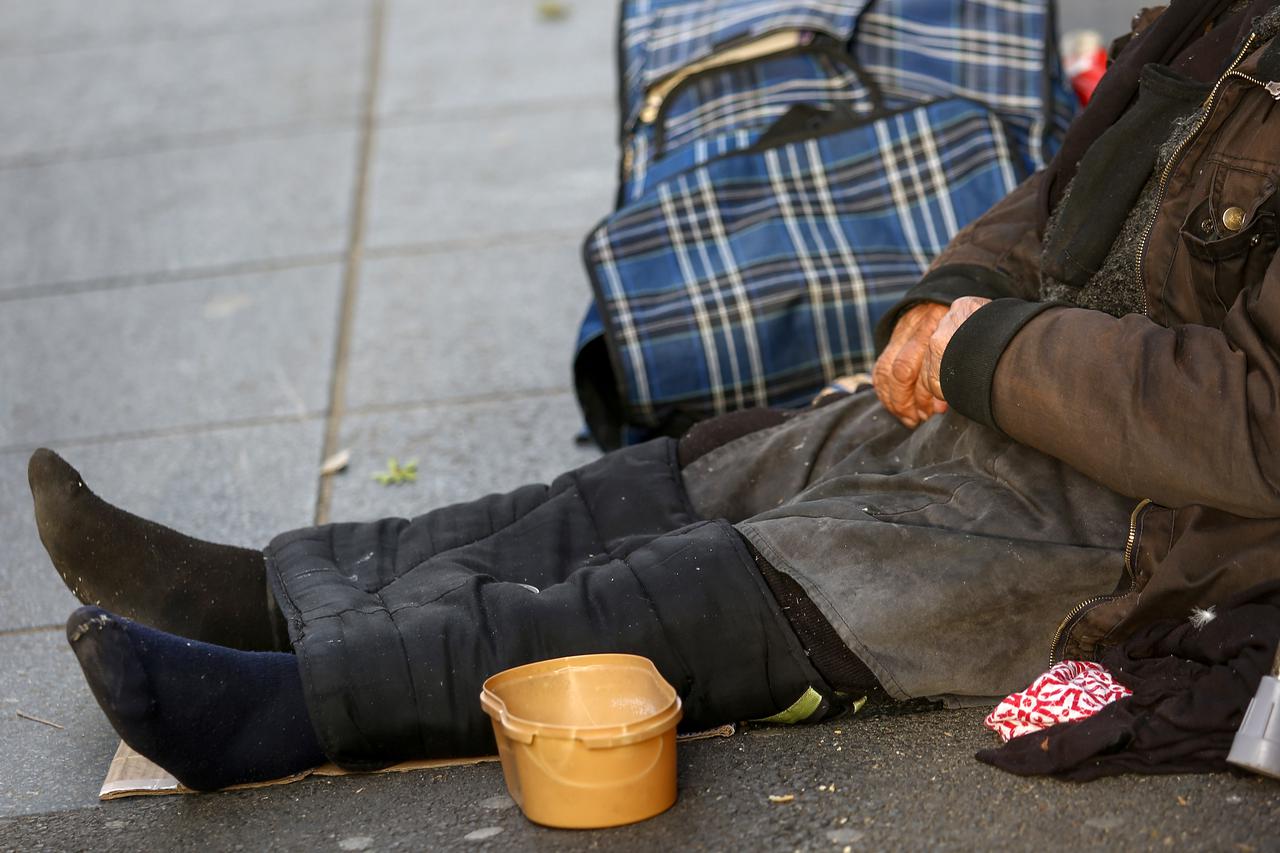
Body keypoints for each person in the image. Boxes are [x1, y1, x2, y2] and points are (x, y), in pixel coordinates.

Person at [33, 0, 1280, 791]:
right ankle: (267, 591)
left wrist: (984, 347)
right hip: (1053, 394)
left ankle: (294, 708)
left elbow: (1253, 432)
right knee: (694, 471)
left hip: (1162, 540)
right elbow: (1072, 190)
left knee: (752, 575)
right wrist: (945, 297)